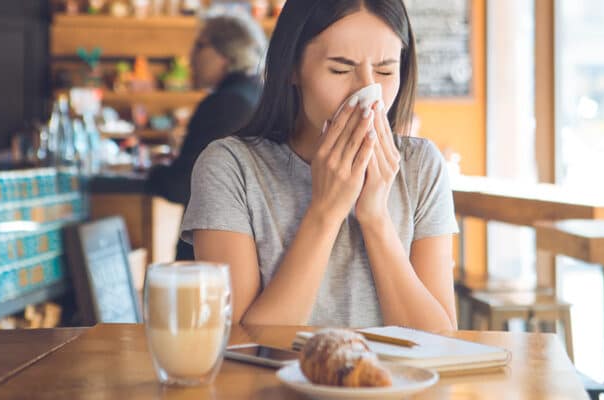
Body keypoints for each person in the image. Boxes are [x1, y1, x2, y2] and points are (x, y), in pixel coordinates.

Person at [181, 0, 458, 331]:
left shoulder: (421, 167)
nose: (369, 94)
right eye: (340, 70)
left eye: (385, 70)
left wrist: (375, 218)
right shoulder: (230, 168)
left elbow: (439, 341)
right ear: (292, 69)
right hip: (268, 384)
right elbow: (241, 342)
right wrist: (325, 212)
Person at [146, 12, 266, 260]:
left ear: (226, 52)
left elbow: (183, 185)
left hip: (212, 250)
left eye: (200, 46)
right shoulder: (257, 93)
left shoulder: (225, 103)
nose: (191, 57)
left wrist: (152, 173)